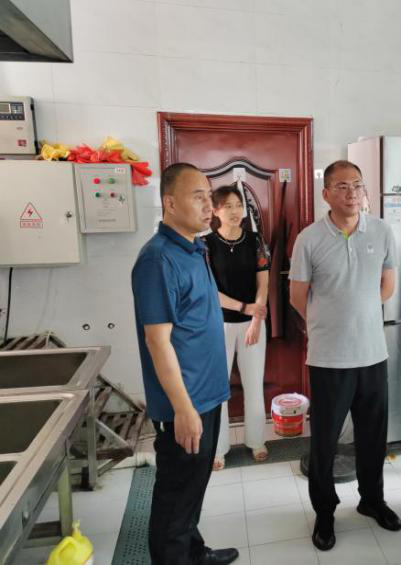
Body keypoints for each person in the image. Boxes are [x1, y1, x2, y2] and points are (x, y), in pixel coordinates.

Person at [289, 160, 401, 551]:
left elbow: (387, 285)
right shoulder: (309, 239)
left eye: (357, 185)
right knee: (325, 441)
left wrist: (360, 313)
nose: (351, 192)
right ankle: (325, 512)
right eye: (341, 186)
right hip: (329, 359)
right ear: (326, 194)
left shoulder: (382, 231)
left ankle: (372, 500)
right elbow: (298, 296)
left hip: (372, 353)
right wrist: (329, 322)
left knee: (373, 436)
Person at [131, 163, 239, 565]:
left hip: (205, 396)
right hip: (185, 404)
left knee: (193, 489)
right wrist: (183, 409)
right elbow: (157, 342)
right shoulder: (158, 259)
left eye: (209, 196)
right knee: (175, 501)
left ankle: (195, 554)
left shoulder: (194, 248)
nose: (209, 205)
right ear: (170, 202)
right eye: (198, 196)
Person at [204, 184, 270, 470]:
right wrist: (244, 308)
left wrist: (255, 319)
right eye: (227, 206)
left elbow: (263, 284)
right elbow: (209, 291)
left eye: (238, 205)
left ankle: (257, 441)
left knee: (254, 384)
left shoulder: (255, 241)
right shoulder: (205, 245)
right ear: (215, 210)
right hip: (218, 325)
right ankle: (218, 448)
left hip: (253, 325)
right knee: (219, 389)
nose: (235, 211)